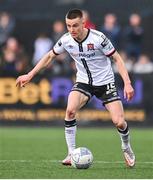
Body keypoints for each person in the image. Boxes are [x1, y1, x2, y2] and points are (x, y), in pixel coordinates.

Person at [16, 9, 135, 167]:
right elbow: (50, 56)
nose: (71, 29)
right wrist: (30, 75)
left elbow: (117, 58)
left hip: (105, 83)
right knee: (70, 110)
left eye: (75, 25)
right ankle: (71, 153)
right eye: (68, 26)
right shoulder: (66, 40)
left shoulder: (99, 38)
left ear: (83, 23)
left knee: (119, 122)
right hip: (83, 82)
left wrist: (127, 83)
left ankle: (126, 147)